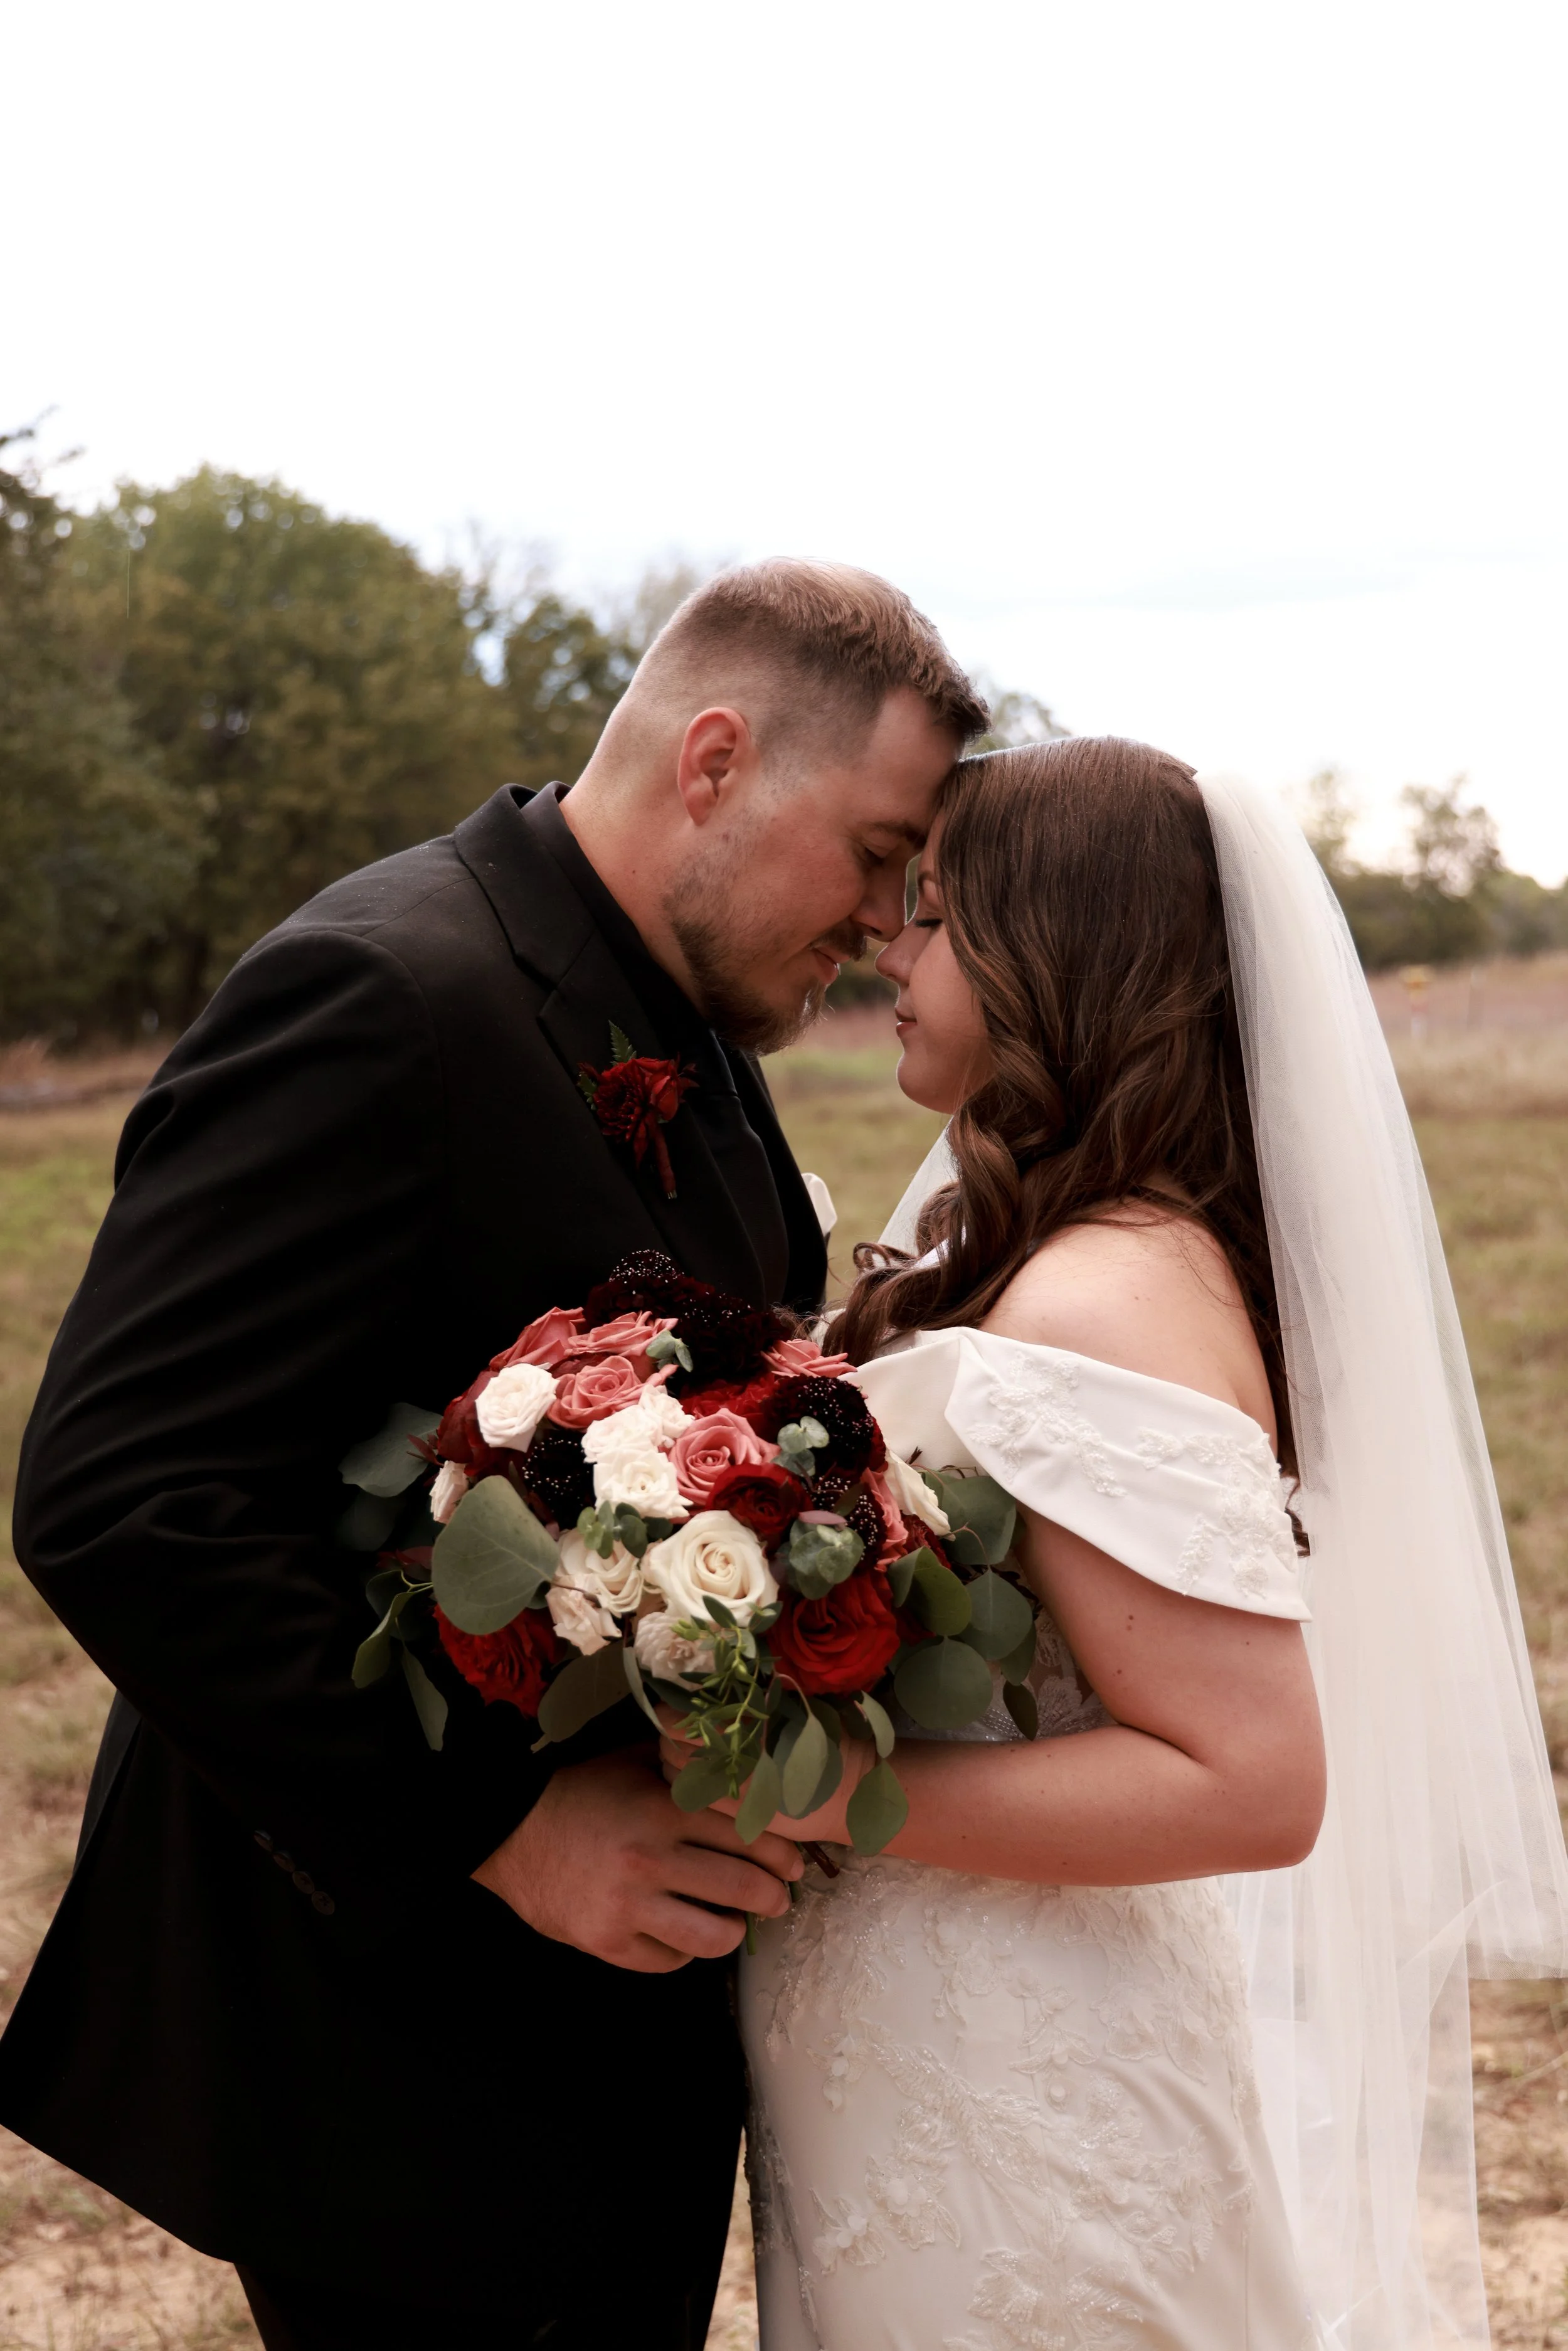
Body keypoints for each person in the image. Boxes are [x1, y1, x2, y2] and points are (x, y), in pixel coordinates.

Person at [0, 561, 985, 2348]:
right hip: (387, 2036)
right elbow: (118, 1495)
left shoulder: (681, 1008)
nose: (884, 916)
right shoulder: (377, 992)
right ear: (712, 760)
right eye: (873, 850)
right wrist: (507, 1829)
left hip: (586, 2024)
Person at [682, 739, 1568, 2350]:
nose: (891, 941)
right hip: (939, 2035)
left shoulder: (1102, 1292)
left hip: (1021, 2074)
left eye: (938, 915)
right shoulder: (1058, 1241)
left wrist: (820, 1790)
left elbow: (1249, 1778)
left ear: (1053, 954)